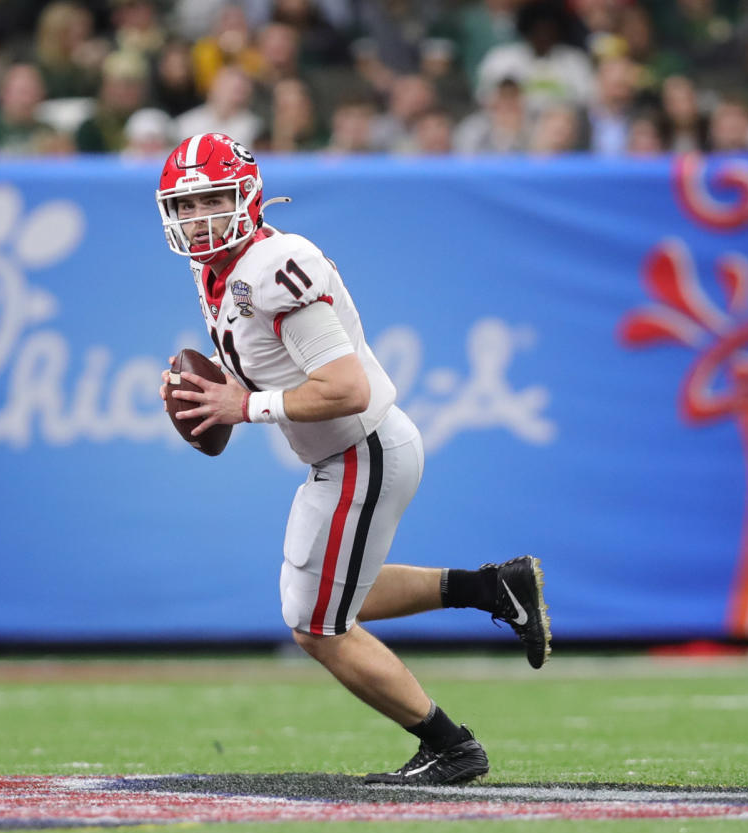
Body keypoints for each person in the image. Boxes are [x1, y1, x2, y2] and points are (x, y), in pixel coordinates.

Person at [154, 132, 550, 785]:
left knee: (316, 625)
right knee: (322, 602)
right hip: (346, 453)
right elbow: (270, 374)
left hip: (360, 449)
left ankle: (451, 747)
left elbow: (345, 388)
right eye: (187, 207)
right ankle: (490, 588)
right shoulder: (217, 274)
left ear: (247, 192)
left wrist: (243, 408)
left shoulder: (276, 265)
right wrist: (207, 392)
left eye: (215, 199)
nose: (201, 219)